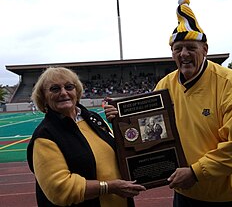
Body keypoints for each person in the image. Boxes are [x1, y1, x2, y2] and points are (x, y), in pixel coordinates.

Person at [105, 0, 232, 207]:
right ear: (172, 53)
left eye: (190, 47)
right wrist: (121, 120)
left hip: (229, 197)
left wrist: (196, 172)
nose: (184, 54)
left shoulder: (230, 84)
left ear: (205, 50)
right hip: (186, 194)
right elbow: (147, 133)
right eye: (178, 48)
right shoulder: (164, 86)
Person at [26, 67, 145, 207]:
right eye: (55, 89)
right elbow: (60, 189)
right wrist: (110, 187)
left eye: (69, 87)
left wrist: (121, 125)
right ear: (44, 97)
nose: (63, 93)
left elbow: (120, 154)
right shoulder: (45, 136)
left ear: (77, 91)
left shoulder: (93, 119)